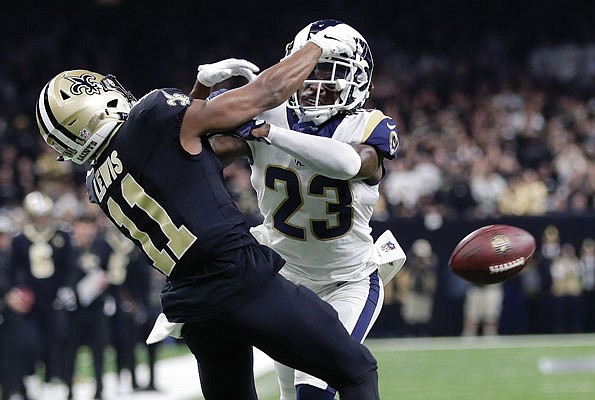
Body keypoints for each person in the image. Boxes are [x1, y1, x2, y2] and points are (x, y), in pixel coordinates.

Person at [35, 24, 382, 400]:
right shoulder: (150, 116)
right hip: (240, 278)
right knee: (356, 372)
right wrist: (317, 45)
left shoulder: (96, 184)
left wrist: (199, 91)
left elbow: (183, 154)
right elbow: (267, 93)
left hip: (192, 307)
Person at [193, 19, 404, 400]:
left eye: (328, 70)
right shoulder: (270, 115)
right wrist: (203, 95)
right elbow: (195, 154)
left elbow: (350, 164)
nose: (314, 82)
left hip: (347, 282)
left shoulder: (368, 125)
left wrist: (270, 133)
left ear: (357, 79)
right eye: (309, 69)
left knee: (315, 391)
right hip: (284, 284)